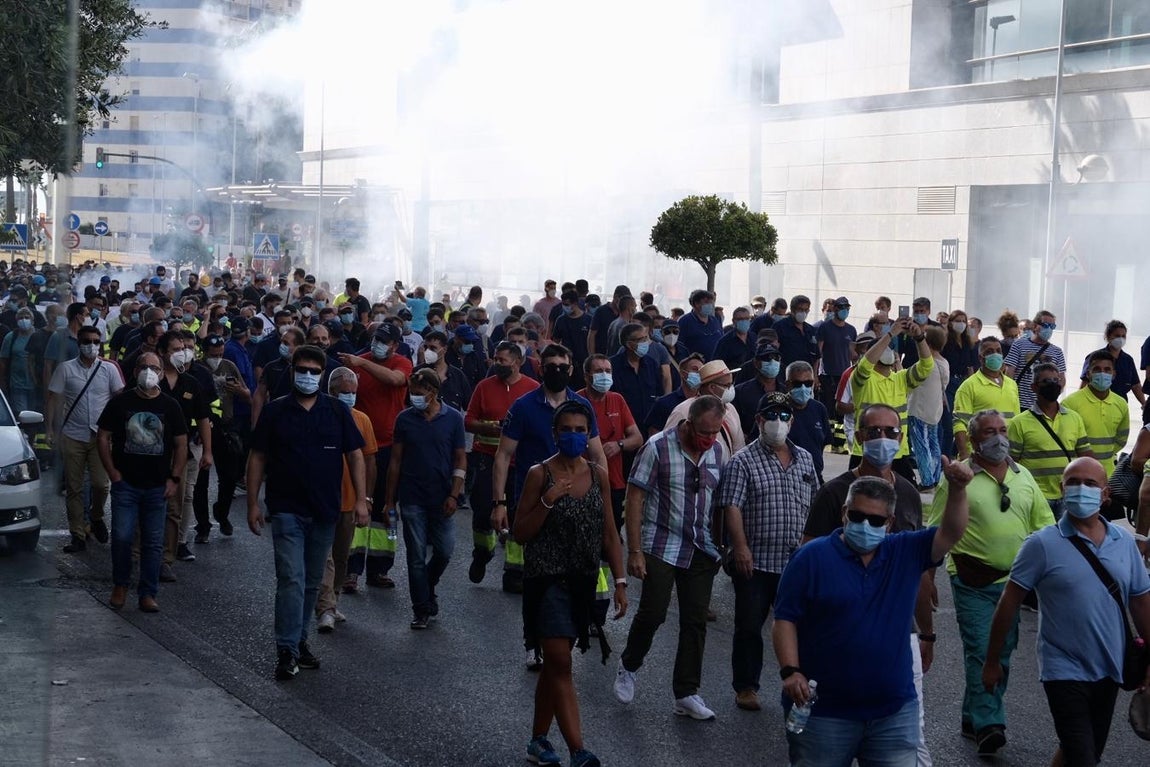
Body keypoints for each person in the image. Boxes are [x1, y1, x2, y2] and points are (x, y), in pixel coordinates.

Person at [772, 465, 970, 766]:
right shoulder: (811, 558)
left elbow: (952, 532)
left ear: (889, 523)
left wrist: (957, 490)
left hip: (893, 711)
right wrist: (791, 671)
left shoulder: (905, 551)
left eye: (875, 520)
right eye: (857, 516)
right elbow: (785, 618)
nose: (865, 524)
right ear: (844, 513)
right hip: (824, 713)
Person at [983, 457, 1150, 766]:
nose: (1081, 489)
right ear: (1062, 489)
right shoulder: (1042, 544)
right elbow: (1008, 602)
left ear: (1105, 494)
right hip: (1062, 668)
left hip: (1110, 666)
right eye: (1073, 482)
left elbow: (1141, 602)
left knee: (1085, 750)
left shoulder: (1123, 543)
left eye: (1090, 484)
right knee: (1082, 754)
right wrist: (992, 661)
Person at [927, 409, 1054, 756]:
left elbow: (1043, 526)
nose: (998, 437)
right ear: (974, 439)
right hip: (972, 580)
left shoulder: (1023, 475)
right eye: (988, 432)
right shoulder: (959, 477)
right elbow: (934, 531)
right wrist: (927, 577)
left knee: (1001, 652)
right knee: (982, 649)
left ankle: (972, 715)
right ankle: (989, 724)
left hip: (1013, 584)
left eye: (1002, 430)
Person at [514, 400, 628, 767]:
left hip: (581, 580)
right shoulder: (539, 474)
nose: (575, 436)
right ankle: (579, 750)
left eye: (582, 430)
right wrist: (548, 500)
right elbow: (520, 533)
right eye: (568, 430)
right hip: (546, 580)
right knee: (560, 663)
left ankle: (538, 740)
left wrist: (621, 581)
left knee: (554, 666)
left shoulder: (597, 474)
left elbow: (609, 531)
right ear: (554, 433)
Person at [247, 344, 369, 681]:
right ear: (292, 372)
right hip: (286, 509)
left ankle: (300, 641)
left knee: (312, 582)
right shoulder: (275, 412)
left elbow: (356, 455)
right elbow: (257, 456)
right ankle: (286, 648)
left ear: (322, 375)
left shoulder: (336, 412)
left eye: (315, 371)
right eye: (303, 370)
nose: (308, 376)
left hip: (324, 511)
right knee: (291, 579)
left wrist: (362, 499)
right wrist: (253, 502)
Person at [614, 396, 725, 721]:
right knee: (654, 613)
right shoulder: (657, 447)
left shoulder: (717, 451)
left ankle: (686, 693)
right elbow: (635, 498)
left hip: (700, 546)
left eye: (715, 432)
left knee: (695, 621)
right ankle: (629, 666)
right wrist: (634, 550)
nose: (709, 438)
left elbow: (718, 501)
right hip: (660, 543)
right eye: (704, 431)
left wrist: (722, 545)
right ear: (688, 424)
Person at [719, 392, 818, 712]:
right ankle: (746, 686)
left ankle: (802, 684)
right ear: (759, 420)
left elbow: (815, 504)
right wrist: (740, 548)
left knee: (802, 628)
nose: (778, 423)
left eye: (785, 416)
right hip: (756, 561)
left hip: (795, 561)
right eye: (771, 416)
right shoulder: (742, 460)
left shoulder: (804, 458)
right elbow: (732, 506)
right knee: (749, 626)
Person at [96, 352, 188, 613]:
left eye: (154, 367)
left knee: (152, 542)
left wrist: (175, 478)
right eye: (144, 367)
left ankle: (147, 592)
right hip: (126, 484)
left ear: (161, 373)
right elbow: (103, 436)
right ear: (135, 370)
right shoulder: (121, 402)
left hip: (157, 486)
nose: (149, 371)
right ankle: (121, 585)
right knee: (123, 537)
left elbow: (181, 445)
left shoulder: (170, 406)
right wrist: (112, 471)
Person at [385, 368, 466, 628]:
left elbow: (460, 458)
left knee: (444, 551)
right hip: (412, 497)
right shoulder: (405, 419)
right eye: (412, 392)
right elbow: (395, 461)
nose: (414, 397)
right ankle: (421, 608)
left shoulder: (453, 419)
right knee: (415, 556)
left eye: (419, 393)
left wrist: (455, 493)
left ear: (432, 393)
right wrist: (389, 501)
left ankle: (427, 582)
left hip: (442, 497)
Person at [338, 322, 412, 590]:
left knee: (388, 509)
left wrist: (363, 364)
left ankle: (381, 568)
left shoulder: (402, 363)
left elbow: (395, 380)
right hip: (360, 447)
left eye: (383, 341)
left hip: (391, 448)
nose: (376, 344)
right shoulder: (357, 361)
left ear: (394, 345)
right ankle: (351, 569)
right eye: (375, 339)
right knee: (360, 504)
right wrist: (359, 362)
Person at [464, 341, 539, 591]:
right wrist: (487, 426)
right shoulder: (484, 387)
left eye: (502, 360)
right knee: (484, 511)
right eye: (495, 358)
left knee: (518, 516)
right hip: (486, 460)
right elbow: (469, 421)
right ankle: (482, 553)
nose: (496, 363)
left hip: (520, 464)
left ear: (517, 362)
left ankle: (514, 572)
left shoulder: (533, 389)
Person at [46, 325, 125, 553]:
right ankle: (77, 534)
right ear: (79, 344)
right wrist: (50, 429)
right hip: (72, 434)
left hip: (100, 437)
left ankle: (97, 517)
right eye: (87, 341)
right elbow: (53, 398)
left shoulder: (108, 370)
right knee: (74, 487)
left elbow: (119, 398)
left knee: (101, 484)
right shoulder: (65, 369)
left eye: (96, 341)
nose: (92, 345)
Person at [315, 368, 377, 634]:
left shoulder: (362, 420)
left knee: (341, 555)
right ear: (332, 392)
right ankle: (325, 607)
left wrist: (367, 497)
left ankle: (333, 598)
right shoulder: (319, 415)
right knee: (323, 557)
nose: (350, 397)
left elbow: (369, 460)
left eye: (353, 393)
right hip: (323, 500)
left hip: (351, 501)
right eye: (345, 393)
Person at [850, 317, 933, 483]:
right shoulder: (862, 378)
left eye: (890, 346)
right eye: (883, 347)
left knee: (906, 499)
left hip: (897, 451)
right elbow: (865, 365)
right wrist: (889, 334)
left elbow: (926, 366)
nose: (888, 349)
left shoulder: (901, 379)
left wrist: (919, 337)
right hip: (867, 451)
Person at [1007, 363, 1091, 517]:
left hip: (1068, 493)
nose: (1052, 384)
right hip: (1035, 494)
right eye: (1046, 381)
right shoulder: (1019, 422)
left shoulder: (1074, 418)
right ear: (1034, 387)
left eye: (1056, 380)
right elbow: (1012, 463)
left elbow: (1085, 454)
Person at [192, 333, 249, 541]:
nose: (217, 358)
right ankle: (203, 525)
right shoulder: (197, 369)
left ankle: (222, 513)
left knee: (230, 476)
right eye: (213, 354)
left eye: (220, 353)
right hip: (203, 427)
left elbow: (247, 394)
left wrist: (239, 391)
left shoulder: (229, 366)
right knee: (201, 480)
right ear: (204, 352)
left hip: (227, 427)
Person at [664, 360, 746, 465]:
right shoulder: (683, 411)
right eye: (727, 385)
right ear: (712, 388)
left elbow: (739, 447)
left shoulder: (731, 409)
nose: (731, 389)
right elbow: (668, 445)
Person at [1064, 352, 1130, 478]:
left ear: (1113, 374)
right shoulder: (1070, 403)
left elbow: (1121, 439)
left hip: (1108, 473)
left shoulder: (1121, 404)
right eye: (1097, 369)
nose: (1102, 373)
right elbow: (1066, 441)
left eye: (1107, 370)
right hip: (1078, 472)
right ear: (1088, 373)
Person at [953, 336, 1020, 460]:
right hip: (978, 454)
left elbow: (1016, 421)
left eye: (998, 351)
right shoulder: (968, 386)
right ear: (980, 358)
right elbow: (959, 423)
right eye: (989, 352)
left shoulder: (1012, 384)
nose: (995, 354)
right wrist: (964, 453)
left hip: (1006, 454)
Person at [907, 325, 949, 490]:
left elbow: (909, 381)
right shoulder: (944, 363)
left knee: (920, 446)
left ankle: (926, 480)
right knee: (933, 444)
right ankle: (935, 477)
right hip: (935, 411)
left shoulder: (926, 364)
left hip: (919, 410)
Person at [1003, 310, 1066, 412]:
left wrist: (1053, 395)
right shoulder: (1019, 345)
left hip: (1044, 406)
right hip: (1020, 404)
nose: (1049, 329)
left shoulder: (1057, 351)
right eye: (1046, 325)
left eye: (1052, 326)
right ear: (1035, 326)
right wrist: (1009, 396)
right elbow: (1009, 373)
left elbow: (1061, 379)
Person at [1077, 320, 1145, 410]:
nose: (1120, 339)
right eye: (1117, 336)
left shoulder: (1128, 360)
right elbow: (1084, 383)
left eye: (1123, 336)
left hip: (1119, 406)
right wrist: (1079, 404)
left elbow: (1135, 385)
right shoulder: (1095, 357)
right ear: (1108, 337)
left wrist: (1145, 404)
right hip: (1096, 404)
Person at [783, 361, 832, 484]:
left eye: (808, 383)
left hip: (815, 477)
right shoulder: (778, 409)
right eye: (798, 384)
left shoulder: (819, 409)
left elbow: (823, 442)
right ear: (788, 385)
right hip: (787, 479)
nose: (803, 388)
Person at [815, 296, 856, 436]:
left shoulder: (851, 330)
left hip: (844, 375)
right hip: (828, 375)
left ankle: (839, 442)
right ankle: (827, 438)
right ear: (836, 309)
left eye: (847, 308)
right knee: (828, 408)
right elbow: (818, 353)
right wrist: (815, 375)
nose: (845, 311)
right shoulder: (824, 328)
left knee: (841, 410)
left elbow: (853, 353)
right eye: (842, 308)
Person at [609, 322, 661, 429]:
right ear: (629, 344)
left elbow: (658, 392)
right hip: (624, 426)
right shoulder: (613, 366)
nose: (645, 342)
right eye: (641, 339)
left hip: (649, 426)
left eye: (646, 338)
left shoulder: (651, 364)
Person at [732, 340, 782, 440]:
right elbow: (734, 423)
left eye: (776, 358)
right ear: (756, 362)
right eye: (767, 358)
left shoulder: (785, 392)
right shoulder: (741, 392)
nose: (772, 362)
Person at [644, 353, 703, 438]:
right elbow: (653, 437)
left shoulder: (704, 403)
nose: (698, 373)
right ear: (683, 373)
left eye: (701, 371)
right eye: (695, 369)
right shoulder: (664, 403)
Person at [0, 307, 39, 413]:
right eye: (21, 318)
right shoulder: (11, 337)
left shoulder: (39, 336)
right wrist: (2, 381)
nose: (24, 320)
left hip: (36, 384)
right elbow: (3, 361)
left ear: (32, 320)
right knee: (22, 413)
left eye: (27, 317)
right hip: (17, 383)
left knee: (35, 414)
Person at [677, 289, 724, 360]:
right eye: (706, 303)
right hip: (695, 365)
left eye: (711, 303)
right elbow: (679, 345)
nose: (709, 306)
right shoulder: (685, 321)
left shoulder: (714, 320)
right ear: (696, 304)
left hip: (715, 364)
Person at [713, 306, 756, 371]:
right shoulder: (725, 342)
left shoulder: (754, 337)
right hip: (733, 378)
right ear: (733, 321)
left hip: (751, 377)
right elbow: (717, 365)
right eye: (740, 319)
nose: (744, 321)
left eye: (747, 318)